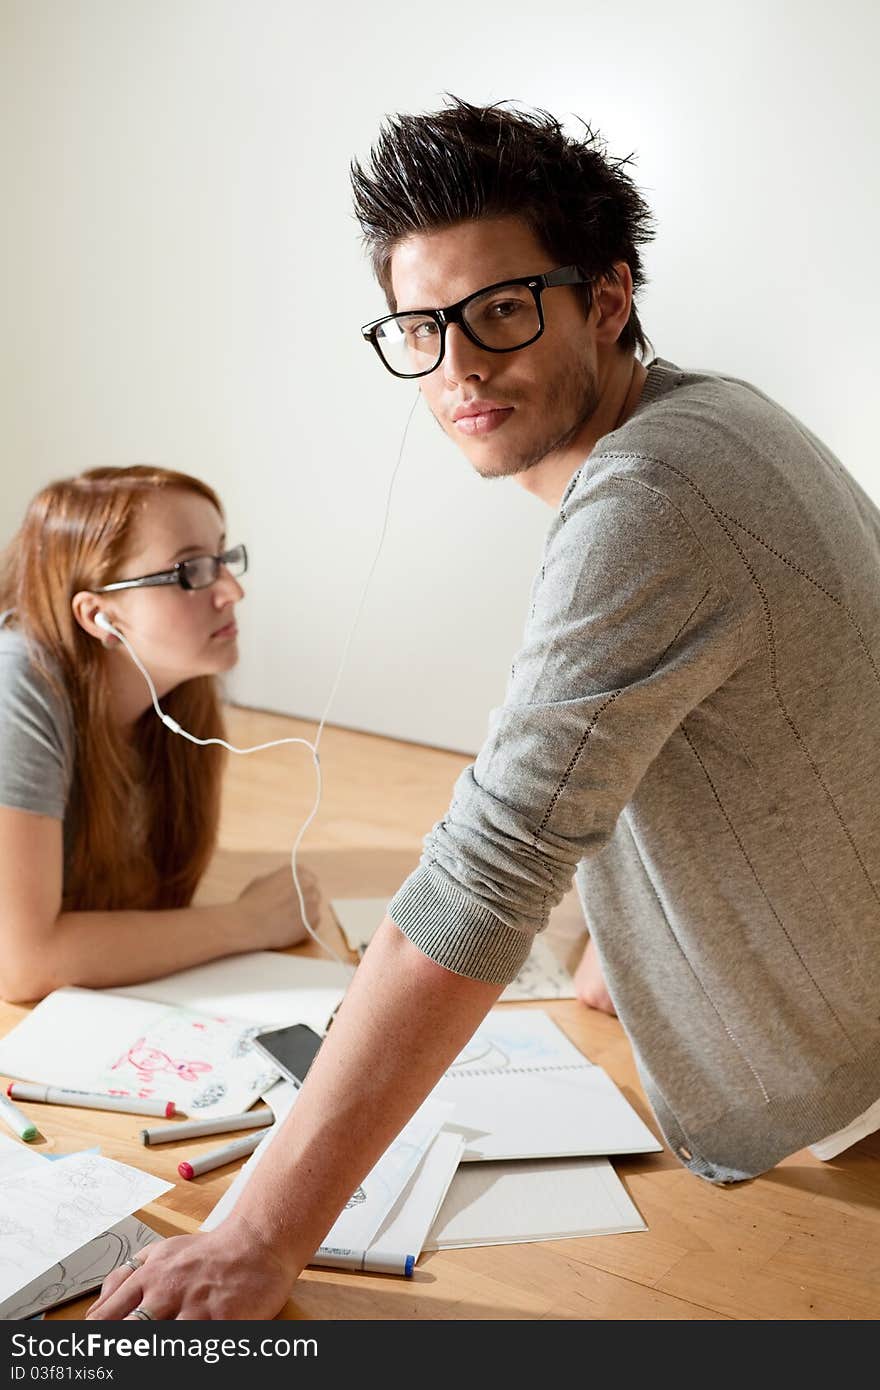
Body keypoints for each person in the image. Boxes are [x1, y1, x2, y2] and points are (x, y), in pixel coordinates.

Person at [89, 98, 880, 1321]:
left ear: (605, 299)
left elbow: (485, 869)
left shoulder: (648, 501)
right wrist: (641, 938)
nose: (457, 364)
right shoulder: (714, 417)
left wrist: (253, 1236)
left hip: (832, 1083)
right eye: (420, 324)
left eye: (500, 310)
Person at [0, 465, 318, 1002]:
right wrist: (248, 922)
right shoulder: (18, 685)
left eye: (222, 558)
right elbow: (25, 965)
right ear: (100, 615)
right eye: (191, 570)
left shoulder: (178, 688)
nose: (232, 591)